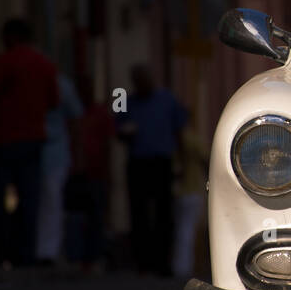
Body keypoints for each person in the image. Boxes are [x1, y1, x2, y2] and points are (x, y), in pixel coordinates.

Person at [0, 18, 58, 266]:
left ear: (11, 36)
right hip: (32, 138)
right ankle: (26, 252)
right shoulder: (44, 64)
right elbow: (53, 101)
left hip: (2, 138)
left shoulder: (4, 61)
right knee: (28, 197)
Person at [118, 64, 186, 275]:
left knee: (163, 214)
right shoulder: (124, 100)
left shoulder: (167, 99)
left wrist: (180, 162)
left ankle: (162, 262)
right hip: (138, 161)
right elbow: (117, 127)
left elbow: (179, 132)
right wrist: (125, 133)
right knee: (138, 213)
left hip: (161, 161)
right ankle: (143, 262)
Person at [67, 76, 116, 270]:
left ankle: (92, 258)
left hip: (96, 173)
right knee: (76, 217)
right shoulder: (72, 114)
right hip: (74, 172)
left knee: (96, 217)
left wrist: (109, 173)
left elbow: (108, 145)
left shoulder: (100, 113)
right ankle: (76, 257)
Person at [36, 73, 83, 264]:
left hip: (51, 151)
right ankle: (43, 250)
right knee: (47, 202)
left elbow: (75, 120)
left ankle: (46, 251)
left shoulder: (61, 86)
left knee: (50, 200)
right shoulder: (62, 85)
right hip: (36, 151)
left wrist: (77, 155)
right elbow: (76, 120)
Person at [172, 117, 208, 277]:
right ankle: (184, 267)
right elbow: (206, 158)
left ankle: (178, 265)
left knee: (179, 229)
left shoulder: (170, 139)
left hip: (177, 191)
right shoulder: (191, 140)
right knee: (188, 231)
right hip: (192, 189)